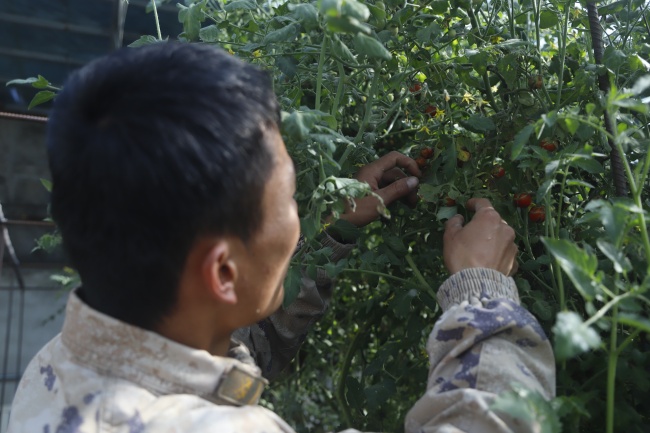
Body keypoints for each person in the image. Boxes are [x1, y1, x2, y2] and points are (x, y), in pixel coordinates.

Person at [7, 43, 554, 433]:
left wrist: (335, 234)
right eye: (290, 200)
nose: (301, 217)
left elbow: (235, 339)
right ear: (223, 271)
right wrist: (482, 299)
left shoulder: (62, 365)